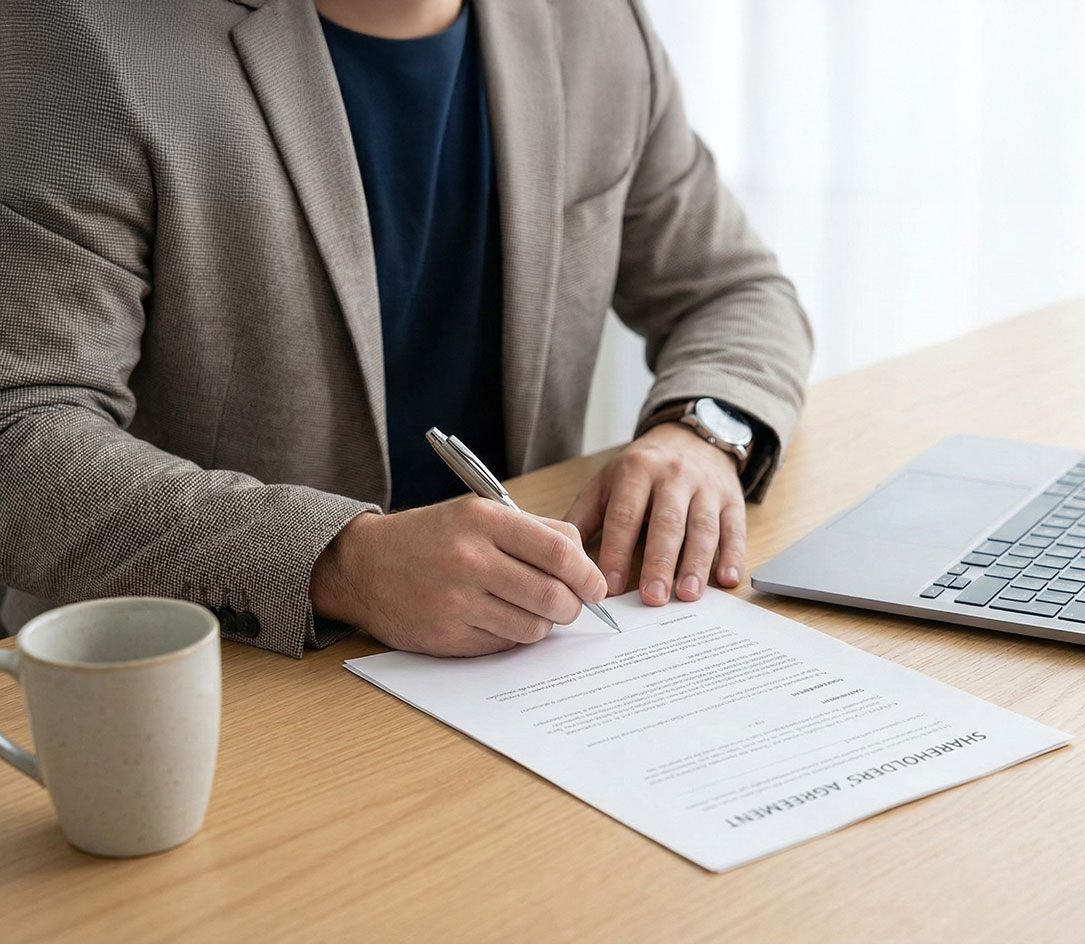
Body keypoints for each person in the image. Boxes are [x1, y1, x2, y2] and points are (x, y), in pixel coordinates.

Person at [0, 0, 812, 657]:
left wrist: (703, 431)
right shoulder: (80, 33)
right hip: (207, 684)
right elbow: (20, 431)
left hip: (522, 663)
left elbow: (735, 288)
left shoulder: (596, 24)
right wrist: (339, 560)